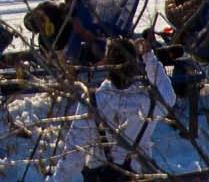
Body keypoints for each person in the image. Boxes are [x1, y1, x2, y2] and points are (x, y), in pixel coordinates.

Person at [67, 37, 171, 182]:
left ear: (107, 64)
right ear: (135, 64)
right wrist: (149, 57)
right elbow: (168, 94)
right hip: (138, 175)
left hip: (100, 176)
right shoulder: (150, 101)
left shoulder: (93, 101)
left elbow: (74, 152)